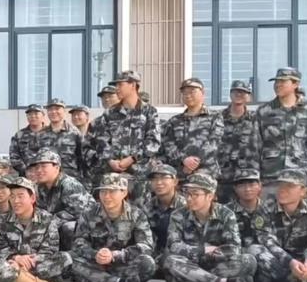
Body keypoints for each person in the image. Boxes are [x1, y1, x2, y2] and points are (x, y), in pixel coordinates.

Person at [163, 173, 256, 282]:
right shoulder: (178, 215)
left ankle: (196, 278)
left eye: (195, 194)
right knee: (171, 261)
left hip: (213, 264)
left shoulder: (226, 214)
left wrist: (212, 256)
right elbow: (174, 246)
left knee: (248, 261)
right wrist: (203, 250)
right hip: (189, 262)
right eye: (186, 193)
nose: (189, 198)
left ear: (210, 196)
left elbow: (234, 247)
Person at [0, 176, 72, 282]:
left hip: (34, 265)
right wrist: (16, 258)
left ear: (32, 198)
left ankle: (19, 277)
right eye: (12, 196)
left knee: (64, 258)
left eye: (20, 196)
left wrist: (29, 261)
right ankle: (31, 279)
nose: (16, 201)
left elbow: (50, 251)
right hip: (13, 264)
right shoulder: (0, 221)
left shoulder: (47, 219)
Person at [70, 173, 155, 282]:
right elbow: (79, 242)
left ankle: (96, 279)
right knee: (70, 260)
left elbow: (146, 246)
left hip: (122, 264)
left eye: (112, 191)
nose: (106, 196)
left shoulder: (137, 215)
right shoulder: (88, 213)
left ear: (124, 193)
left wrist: (116, 255)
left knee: (147, 263)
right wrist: (95, 254)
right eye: (103, 191)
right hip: (96, 263)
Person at [90, 70, 161, 199]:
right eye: (116, 85)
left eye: (120, 85)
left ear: (133, 85)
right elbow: (101, 141)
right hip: (114, 176)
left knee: (140, 209)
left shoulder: (149, 111)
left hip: (140, 175)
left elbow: (153, 142)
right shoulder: (110, 113)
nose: (117, 89)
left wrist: (132, 158)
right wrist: (110, 160)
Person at [256, 68, 307, 184]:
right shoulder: (264, 111)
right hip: (271, 175)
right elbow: (255, 146)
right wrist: (256, 177)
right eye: (276, 82)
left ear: (295, 84)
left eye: (283, 81)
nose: (278, 85)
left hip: (300, 174)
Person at [25, 150, 94, 251]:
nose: (39, 170)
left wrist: (49, 222)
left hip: (89, 225)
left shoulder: (69, 184)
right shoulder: (40, 187)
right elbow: (39, 210)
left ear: (57, 167)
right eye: (36, 167)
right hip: (56, 224)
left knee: (69, 227)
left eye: (44, 166)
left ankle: (75, 256)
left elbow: (77, 212)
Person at [159, 78, 222, 181]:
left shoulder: (215, 117)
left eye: (192, 92)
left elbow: (214, 142)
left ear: (202, 93)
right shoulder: (174, 121)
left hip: (206, 175)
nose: (188, 95)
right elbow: (168, 145)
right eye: (184, 93)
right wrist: (184, 159)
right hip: (181, 173)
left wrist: (194, 163)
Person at [218, 81, 261, 203]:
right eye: (235, 92)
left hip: (247, 178)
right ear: (230, 94)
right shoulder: (217, 118)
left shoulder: (256, 119)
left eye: (243, 92)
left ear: (249, 96)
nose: (239, 95)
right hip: (223, 177)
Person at [138, 163, 186, 270]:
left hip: (179, 257)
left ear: (175, 181)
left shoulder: (186, 207)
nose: (159, 182)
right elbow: (145, 240)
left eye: (164, 177)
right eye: (154, 178)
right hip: (155, 257)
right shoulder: (147, 208)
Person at [40, 98, 84, 182]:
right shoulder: (41, 134)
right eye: (50, 109)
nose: (53, 112)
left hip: (70, 178)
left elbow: (82, 158)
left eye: (57, 109)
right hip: (48, 180)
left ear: (64, 111)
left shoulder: (75, 132)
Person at [225, 169, 265, 249]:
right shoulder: (225, 211)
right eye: (242, 185)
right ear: (235, 188)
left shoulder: (270, 209)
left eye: (252, 184)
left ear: (260, 186)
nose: (247, 189)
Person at [9, 103, 49, 176]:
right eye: (30, 114)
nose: (33, 116)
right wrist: (27, 170)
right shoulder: (19, 135)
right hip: (26, 175)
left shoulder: (51, 133)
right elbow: (14, 157)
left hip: (47, 175)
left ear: (43, 115)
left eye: (36, 113)